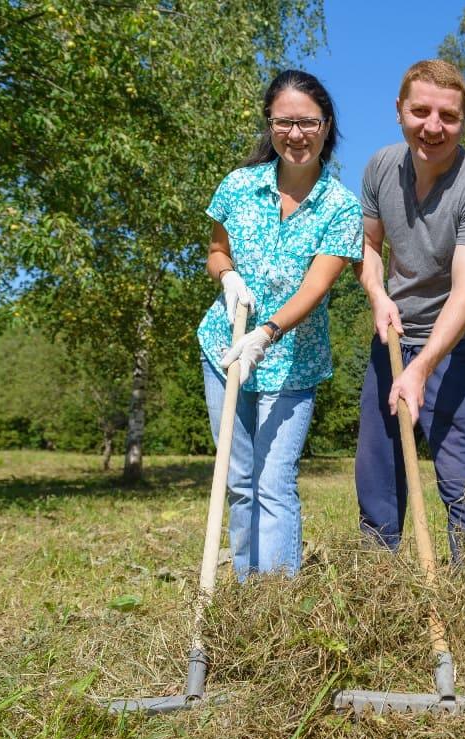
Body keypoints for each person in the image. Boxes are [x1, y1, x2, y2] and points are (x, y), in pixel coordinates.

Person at [199, 70, 363, 580]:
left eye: (307, 122)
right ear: (269, 124)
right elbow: (216, 249)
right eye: (284, 122)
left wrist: (265, 334)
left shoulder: (341, 207)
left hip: (291, 362)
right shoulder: (238, 186)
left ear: (326, 125)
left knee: (273, 482)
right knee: (239, 480)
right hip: (224, 350)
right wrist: (227, 278)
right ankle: (246, 596)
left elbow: (315, 289)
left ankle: (276, 603)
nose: (296, 134)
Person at [353, 60, 465, 557]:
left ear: (464, 120)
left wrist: (421, 369)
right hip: (394, 337)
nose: (433, 127)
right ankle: (381, 585)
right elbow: (369, 247)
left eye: (448, 116)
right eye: (420, 111)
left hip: (457, 345)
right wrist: (379, 297)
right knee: (378, 469)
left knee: (461, 473)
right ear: (399, 110)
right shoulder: (381, 166)